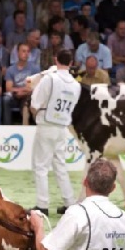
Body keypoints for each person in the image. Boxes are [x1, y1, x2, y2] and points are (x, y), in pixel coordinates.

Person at [29, 50, 80, 216]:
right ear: (71, 63)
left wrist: (36, 115)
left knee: (41, 166)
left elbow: (35, 102)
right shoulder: (76, 85)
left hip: (46, 124)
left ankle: (42, 204)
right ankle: (69, 202)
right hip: (62, 127)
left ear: (55, 59)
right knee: (60, 165)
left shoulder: (50, 78)